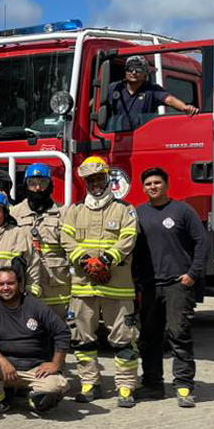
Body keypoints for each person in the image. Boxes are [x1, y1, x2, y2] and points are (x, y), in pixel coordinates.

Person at [61, 156, 141, 407]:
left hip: (117, 287)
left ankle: (126, 386)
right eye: (90, 180)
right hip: (83, 287)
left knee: (124, 338)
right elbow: (66, 238)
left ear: (108, 179)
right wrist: (87, 262)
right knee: (82, 338)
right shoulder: (74, 211)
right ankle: (89, 383)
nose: (95, 184)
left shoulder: (125, 210)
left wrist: (105, 261)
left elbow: (128, 238)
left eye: (99, 178)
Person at [135, 167, 210, 408]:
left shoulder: (182, 210)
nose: (153, 187)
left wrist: (192, 274)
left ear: (166, 185)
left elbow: (202, 241)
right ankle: (152, 385)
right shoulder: (137, 213)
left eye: (157, 182)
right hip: (149, 286)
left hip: (178, 284)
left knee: (179, 335)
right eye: (148, 184)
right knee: (149, 337)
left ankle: (184, 386)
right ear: (143, 188)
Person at [0, 266, 71, 414]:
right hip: (3, 367)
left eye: (10, 283)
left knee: (52, 390)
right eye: (1, 284)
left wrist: (55, 364)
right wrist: (3, 362)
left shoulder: (36, 306)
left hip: (34, 369)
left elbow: (62, 332)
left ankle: (32, 397)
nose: (6, 288)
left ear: (20, 284)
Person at [11, 164, 71, 317]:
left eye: (43, 183)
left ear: (51, 185)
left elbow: (72, 250)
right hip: (25, 284)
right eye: (32, 183)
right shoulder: (13, 214)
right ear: (25, 185)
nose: (37, 188)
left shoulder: (65, 213)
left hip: (56, 287)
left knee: (58, 327)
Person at [107, 55, 199, 131]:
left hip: (142, 135)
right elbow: (98, 104)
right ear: (125, 71)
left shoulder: (152, 89)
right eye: (130, 68)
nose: (134, 72)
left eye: (138, 69)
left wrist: (185, 107)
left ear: (145, 73)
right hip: (116, 135)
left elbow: (169, 99)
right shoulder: (113, 87)